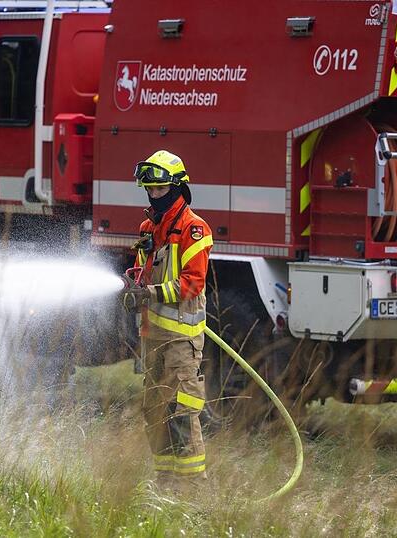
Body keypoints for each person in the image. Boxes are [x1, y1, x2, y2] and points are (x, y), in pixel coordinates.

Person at [121, 150, 214, 486]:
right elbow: (145, 271)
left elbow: (192, 283)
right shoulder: (149, 227)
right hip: (153, 337)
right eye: (149, 189)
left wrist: (151, 294)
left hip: (182, 341)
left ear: (177, 187)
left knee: (181, 411)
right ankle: (165, 483)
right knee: (154, 412)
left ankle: (193, 489)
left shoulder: (194, 230)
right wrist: (132, 283)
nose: (154, 195)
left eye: (160, 190)